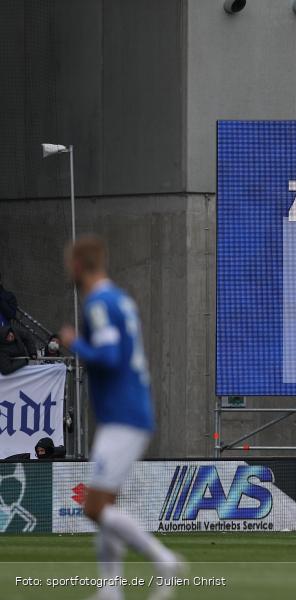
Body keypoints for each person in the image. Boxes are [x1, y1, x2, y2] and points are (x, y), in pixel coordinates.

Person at [58, 236, 182, 600]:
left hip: (122, 416)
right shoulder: (120, 299)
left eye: (70, 265)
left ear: (78, 266)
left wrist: (74, 342)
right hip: (128, 411)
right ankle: (110, 588)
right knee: (105, 506)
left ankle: (163, 559)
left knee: (94, 508)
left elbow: (109, 357)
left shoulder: (99, 303)